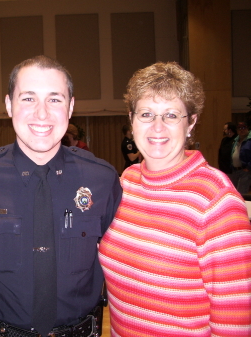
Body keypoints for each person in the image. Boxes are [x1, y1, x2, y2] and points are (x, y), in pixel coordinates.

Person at [0, 55, 122, 337]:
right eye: (28, 98)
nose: (42, 114)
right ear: (9, 105)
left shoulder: (102, 179)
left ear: (70, 107)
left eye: (55, 100)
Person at [99, 62, 251, 336]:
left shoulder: (217, 201)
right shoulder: (126, 183)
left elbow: (233, 319)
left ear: (191, 122)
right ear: (131, 119)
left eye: (171, 115)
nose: (157, 127)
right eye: (146, 114)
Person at [231, 121, 251, 194]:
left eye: (243, 128)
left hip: (245, 171)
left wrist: (248, 167)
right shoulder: (236, 140)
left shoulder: (250, 140)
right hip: (235, 170)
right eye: (239, 128)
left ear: (247, 129)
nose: (241, 130)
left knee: (241, 194)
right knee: (234, 193)